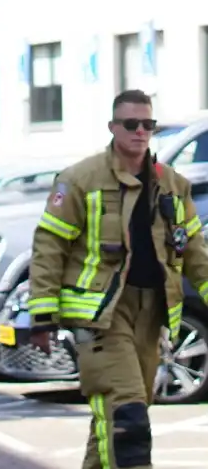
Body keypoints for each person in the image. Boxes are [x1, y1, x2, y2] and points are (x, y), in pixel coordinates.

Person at [27, 90, 208, 469]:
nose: (140, 132)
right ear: (113, 127)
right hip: (101, 316)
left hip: (152, 314)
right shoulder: (80, 179)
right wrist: (41, 316)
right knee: (127, 420)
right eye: (131, 124)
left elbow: (195, 256)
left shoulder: (173, 186)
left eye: (148, 125)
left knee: (116, 418)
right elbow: (48, 248)